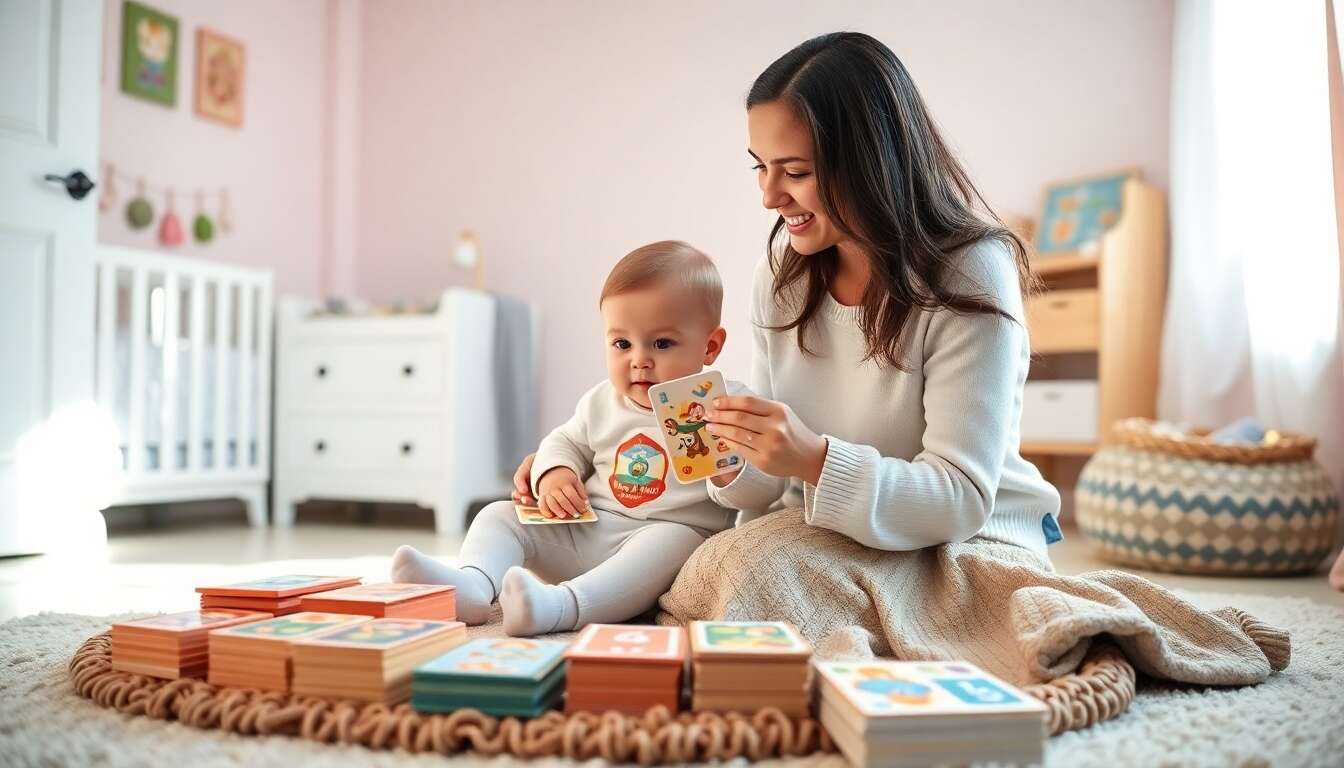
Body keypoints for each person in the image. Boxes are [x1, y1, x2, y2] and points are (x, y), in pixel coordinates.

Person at [513, 32, 1062, 594]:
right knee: (712, 579)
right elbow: (766, 485)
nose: (769, 196)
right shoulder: (782, 279)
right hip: (824, 525)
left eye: (795, 172)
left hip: (968, 536)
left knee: (754, 587)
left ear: (872, 165)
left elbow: (960, 497)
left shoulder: (969, 272)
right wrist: (577, 467)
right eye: (760, 167)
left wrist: (815, 460)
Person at [392, 241, 772, 635]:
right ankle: (472, 585)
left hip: (657, 548)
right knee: (499, 514)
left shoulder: (730, 406)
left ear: (710, 346)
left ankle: (557, 607)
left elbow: (764, 490)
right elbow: (565, 441)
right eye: (622, 344)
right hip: (588, 528)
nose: (638, 359)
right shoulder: (602, 401)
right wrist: (554, 473)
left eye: (662, 343)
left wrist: (731, 472)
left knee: (675, 542)